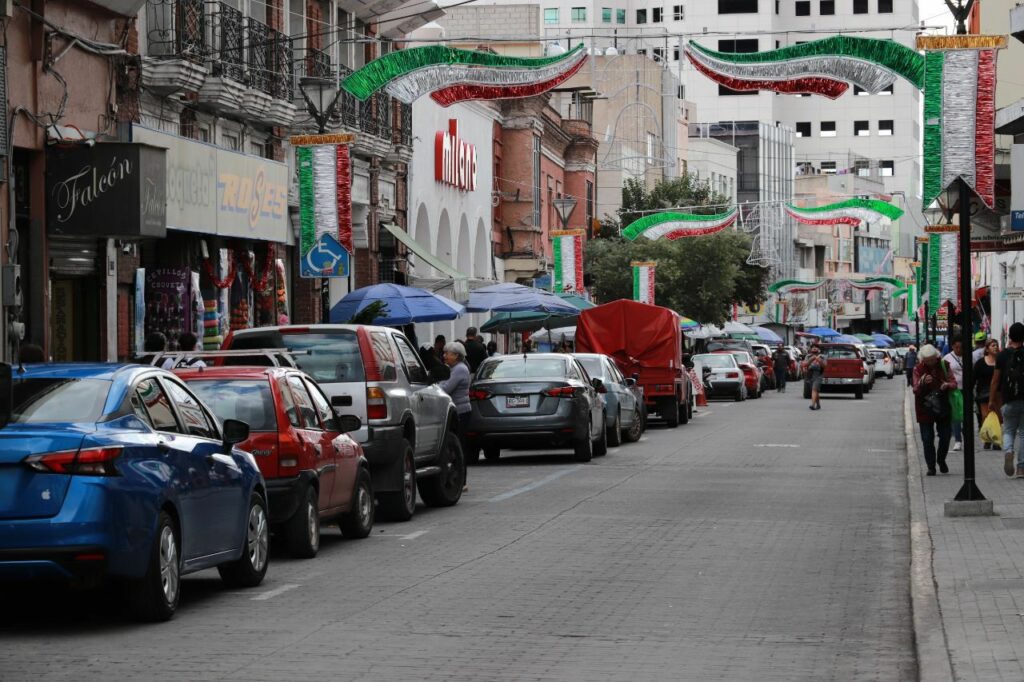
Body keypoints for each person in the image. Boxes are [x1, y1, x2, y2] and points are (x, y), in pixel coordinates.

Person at [914, 344, 957, 476]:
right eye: (927, 361)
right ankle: (931, 466)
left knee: (945, 436)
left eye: (932, 359)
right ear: (923, 359)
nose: (930, 363)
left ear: (936, 357)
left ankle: (941, 459)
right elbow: (915, 388)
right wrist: (922, 382)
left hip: (942, 405)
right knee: (927, 439)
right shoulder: (918, 369)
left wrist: (947, 385)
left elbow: (954, 383)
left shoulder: (944, 365)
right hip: (924, 407)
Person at [989, 322, 1024, 478]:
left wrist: (991, 400)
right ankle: (1021, 468)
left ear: (1009, 336)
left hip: (1008, 400)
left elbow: (995, 380)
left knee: (1009, 431)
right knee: (1023, 434)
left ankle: (1009, 451)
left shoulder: (1002, 355)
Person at [439, 341, 471, 491]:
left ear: (456, 355)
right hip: (457, 411)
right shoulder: (454, 368)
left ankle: (462, 481)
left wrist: (435, 385)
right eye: (444, 353)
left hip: (461, 412)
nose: (444, 356)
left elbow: (446, 388)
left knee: (459, 447)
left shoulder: (459, 369)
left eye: (447, 353)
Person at [974, 338, 999, 449]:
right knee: (985, 416)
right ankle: (988, 439)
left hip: (998, 392)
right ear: (987, 349)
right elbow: (974, 378)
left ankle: (996, 440)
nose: (995, 347)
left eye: (996, 345)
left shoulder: (1000, 361)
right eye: (993, 345)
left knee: (997, 417)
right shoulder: (980, 363)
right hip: (983, 393)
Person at [943, 339, 965, 451]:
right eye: (956, 347)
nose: (959, 349)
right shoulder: (947, 358)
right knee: (956, 415)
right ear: (952, 346)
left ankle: (966, 435)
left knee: (966, 414)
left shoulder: (967, 356)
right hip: (955, 390)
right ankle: (958, 440)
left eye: (961, 347)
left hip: (966, 389)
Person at [801, 344, 827, 410]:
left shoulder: (822, 356)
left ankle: (812, 405)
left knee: (814, 389)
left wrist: (819, 360)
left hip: (818, 374)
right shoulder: (808, 356)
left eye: (816, 347)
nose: (814, 348)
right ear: (811, 349)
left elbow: (824, 366)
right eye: (813, 347)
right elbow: (804, 364)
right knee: (815, 391)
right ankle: (818, 404)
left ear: (819, 349)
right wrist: (811, 359)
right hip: (810, 374)